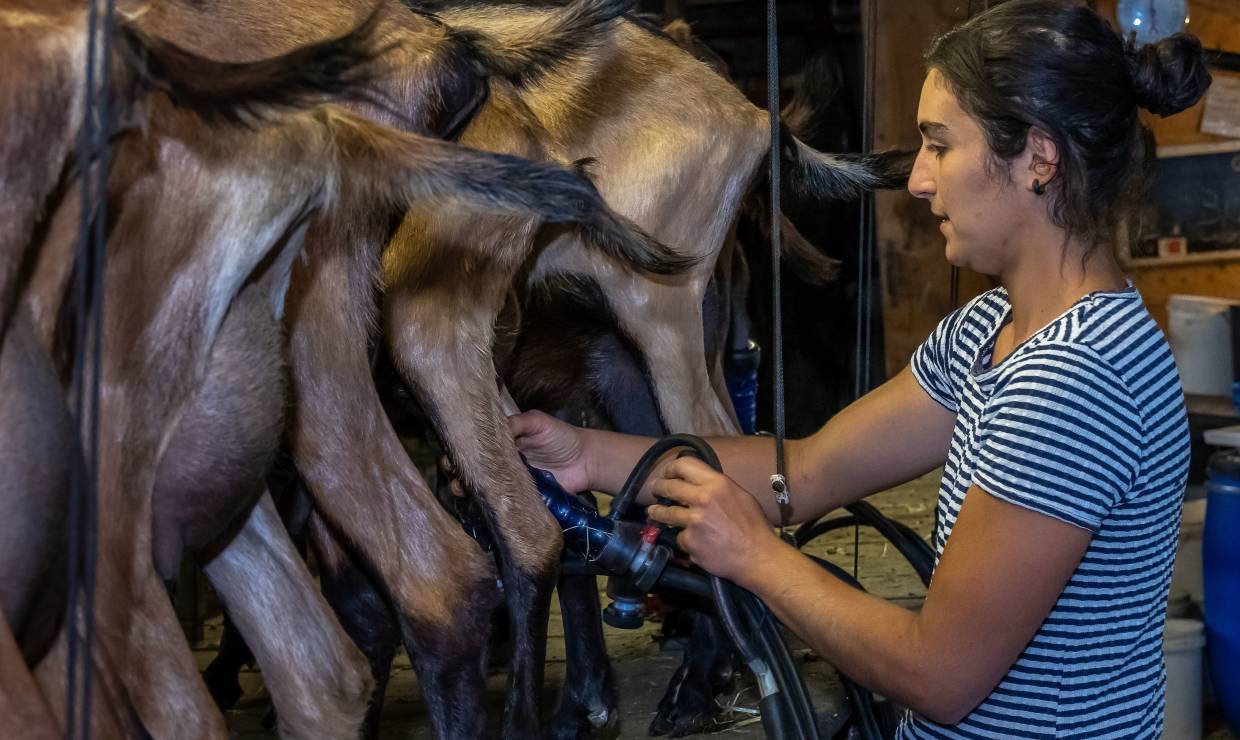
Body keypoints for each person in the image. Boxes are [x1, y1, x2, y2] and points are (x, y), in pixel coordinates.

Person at [510, 0, 1211, 736]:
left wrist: (756, 558)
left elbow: (938, 674)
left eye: (941, 146)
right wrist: (587, 455)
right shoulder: (988, 332)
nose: (917, 180)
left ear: (1038, 159)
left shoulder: (1077, 380)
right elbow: (806, 472)